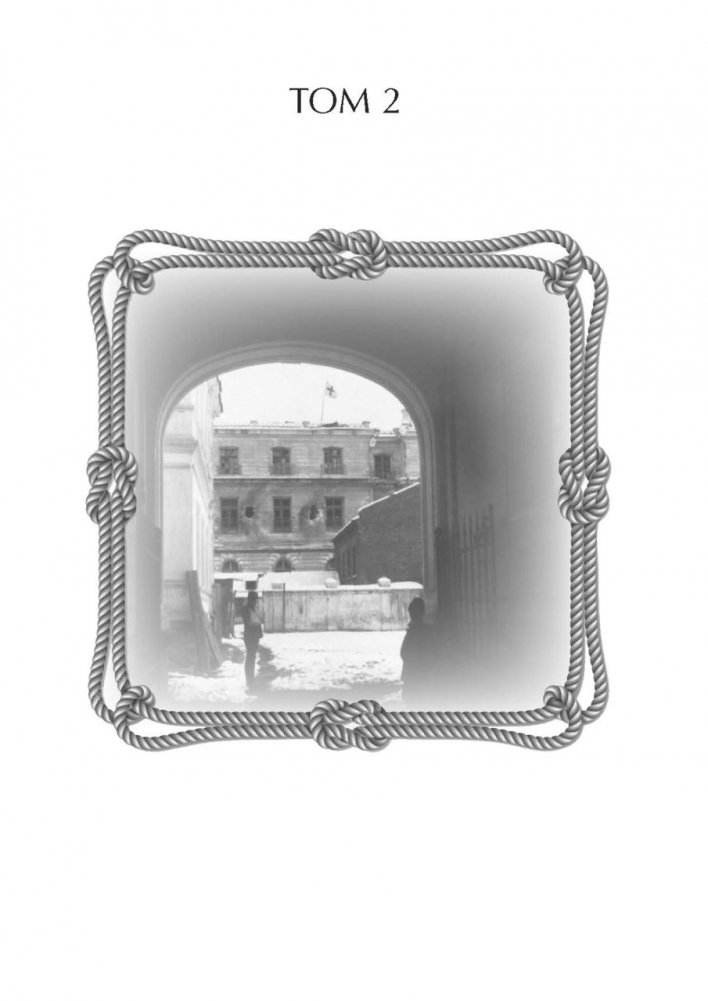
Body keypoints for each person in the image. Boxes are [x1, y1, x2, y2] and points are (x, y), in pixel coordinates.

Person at [400, 596, 432, 703]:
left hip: (415, 675)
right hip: (420, 675)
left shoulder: (415, 632)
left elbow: (405, 652)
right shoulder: (425, 631)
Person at [241, 591, 264, 691]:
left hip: (255, 635)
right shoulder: (246, 609)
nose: (255, 601)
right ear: (249, 599)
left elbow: (260, 619)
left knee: (252, 657)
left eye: (256, 599)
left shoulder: (254, 609)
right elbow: (249, 622)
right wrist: (257, 620)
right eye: (253, 599)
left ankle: (251, 679)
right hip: (250, 636)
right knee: (250, 656)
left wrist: (257, 620)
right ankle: (249, 680)